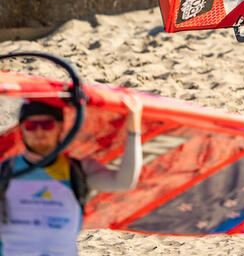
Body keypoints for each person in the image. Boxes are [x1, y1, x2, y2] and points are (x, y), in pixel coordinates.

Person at [0, 96, 143, 256]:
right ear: (22, 130)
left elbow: (123, 182)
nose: (39, 132)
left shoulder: (78, 170)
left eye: (46, 125)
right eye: (31, 126)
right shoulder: (6, 170)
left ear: (60, 127)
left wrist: (134, 128)